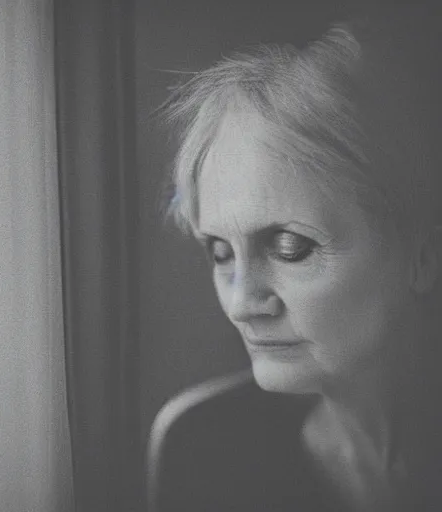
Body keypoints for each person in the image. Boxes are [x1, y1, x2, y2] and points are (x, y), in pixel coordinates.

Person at [147, 5, 442, 512]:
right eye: (220, 252)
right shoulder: (198, 447)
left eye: (290, 248)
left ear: (424, 255)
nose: (241, 303)